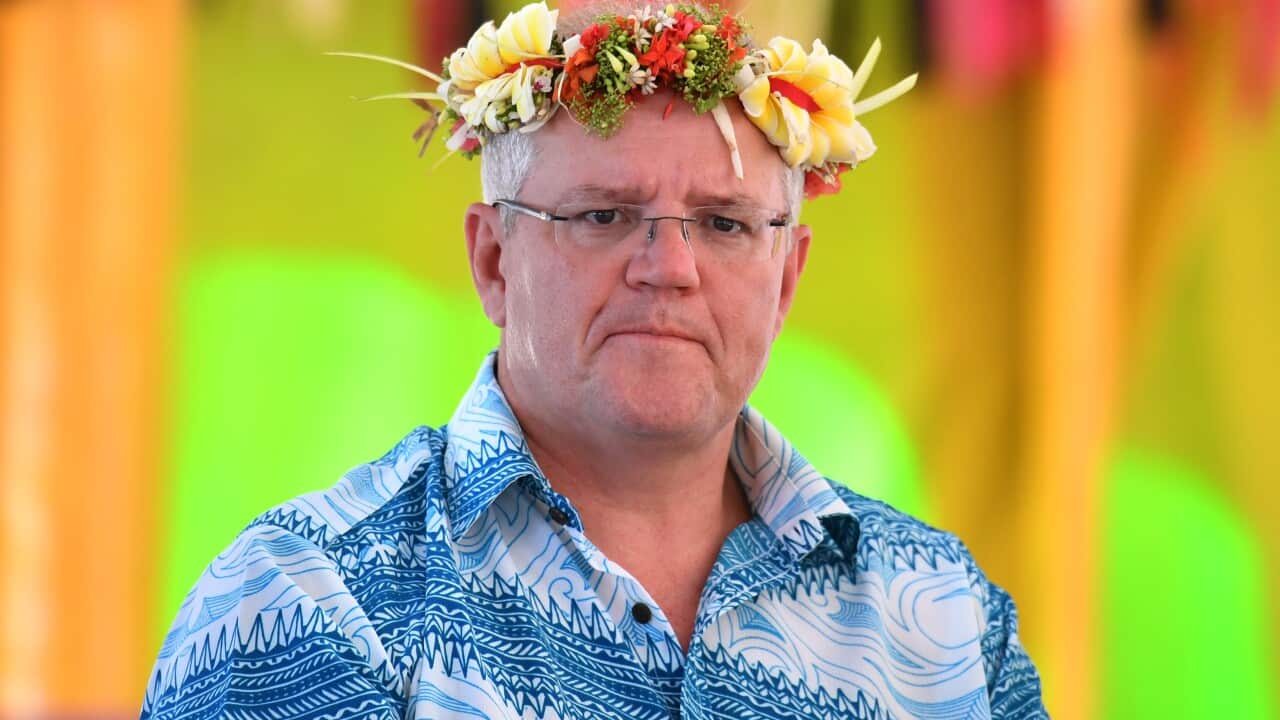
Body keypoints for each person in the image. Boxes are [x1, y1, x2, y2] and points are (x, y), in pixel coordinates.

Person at [140, 2, 1047, 718]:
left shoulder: (945, 621)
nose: (670, 269)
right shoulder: (311, 605)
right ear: (494, 260)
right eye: (604, 215)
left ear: (786, 280)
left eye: (725, 225)